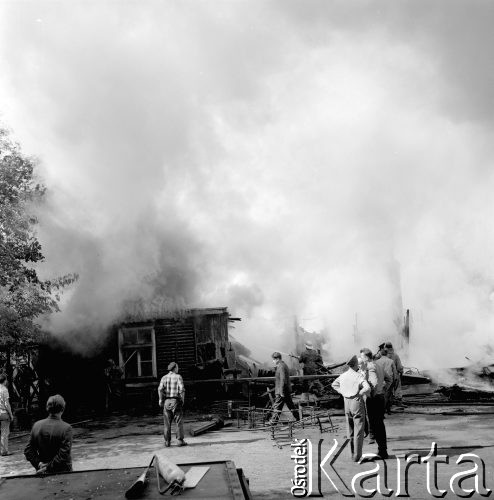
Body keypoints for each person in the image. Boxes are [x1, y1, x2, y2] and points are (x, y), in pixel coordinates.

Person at [331, 355, 371, 462]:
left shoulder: (343, 375)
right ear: (355, 365)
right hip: (356, 402)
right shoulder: (358, 376)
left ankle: (352, 454)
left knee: (350, 430)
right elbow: (367, 387)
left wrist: (343, 392)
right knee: (359, 430)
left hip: (346, 403)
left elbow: (334, 384)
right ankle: (357, 456)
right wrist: (359, 393)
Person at [24, 394, 73, 473]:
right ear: (63, 409)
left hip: (42, 472)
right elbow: (64, 454)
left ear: (47, 408)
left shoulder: (37, 425)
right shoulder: (66, 428)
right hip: (62, 473)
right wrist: (48, 467)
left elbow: (28, 451)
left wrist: (39, 464)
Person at [360, 348, 390, 459]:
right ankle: (382, 449)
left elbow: (375, 382)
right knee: (379, 424)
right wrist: (384, 390)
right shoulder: (378, 365)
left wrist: (373, 393)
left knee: (376, 424)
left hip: (374, 399)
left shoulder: (370, 367)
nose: (361, 359)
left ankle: (382, 451)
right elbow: (389, 379)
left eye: (362, 357)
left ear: (366, 357)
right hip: (380, 397)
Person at [158, 362, 187, 447]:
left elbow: (159, 389)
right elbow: (181, 390)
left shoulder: (164, 377)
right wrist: (182, 400)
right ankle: (180, 441)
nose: (178, 369)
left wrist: (160, 400)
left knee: (167, 422)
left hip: (167, 401)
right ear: (174, 368)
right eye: (177, 367)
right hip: (176, 401)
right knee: (178, 422)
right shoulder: (178, 377)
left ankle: (167, 442)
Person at [268, 352, 300, 425]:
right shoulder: (282, 365)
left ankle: (273, 422)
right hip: (285, 390)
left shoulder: (281, 366)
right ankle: (298, 418)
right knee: (290, 405)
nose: (273, 361)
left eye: (273, 359)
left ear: (277, 359)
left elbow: (283, 379)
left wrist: (281, 391)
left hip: (282, 390)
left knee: (277, 406)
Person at [375, 346, 397, 413]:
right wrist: (395, 380)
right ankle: (388, 409)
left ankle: (382, 410)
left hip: (380, 380)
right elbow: (395, 372)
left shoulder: (377, 362)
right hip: (389, 380)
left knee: (381, 395)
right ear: (387, 354)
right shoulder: (391, 361)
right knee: (388, 395)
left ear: (381, 354)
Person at [385, 342, 404, 407]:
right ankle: (398, 402)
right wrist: (401, 372)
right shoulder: (395, 355)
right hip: (395, 375)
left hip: (386, 376)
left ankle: (388, 403)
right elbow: (399, 367)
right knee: (397, 388)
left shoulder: (383, 356)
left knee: (387, 389)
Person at [0, 373, 14, 456]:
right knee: (4, 432)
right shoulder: (4, 389)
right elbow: (6, 403)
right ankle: (4, 451)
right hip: (3, 413)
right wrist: (11, 414)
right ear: (5, 381)